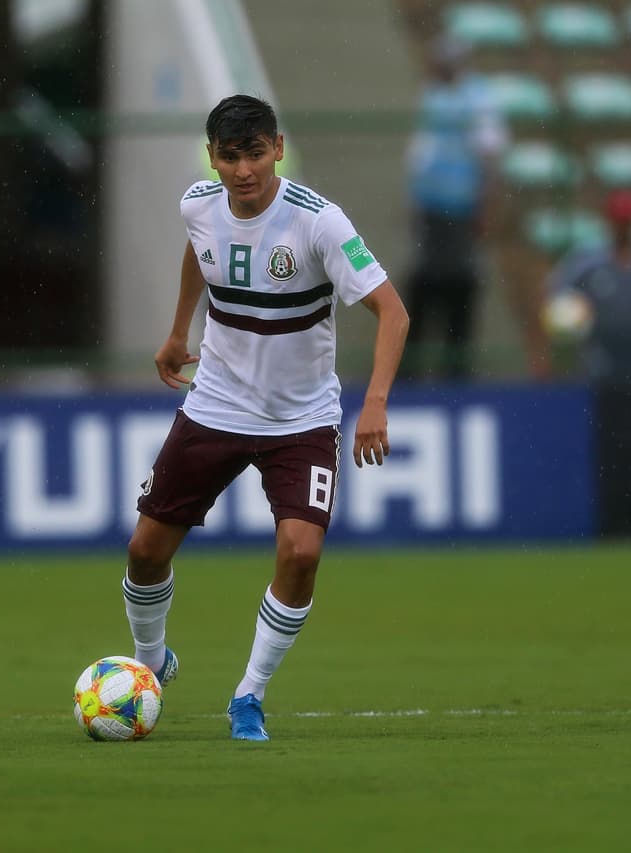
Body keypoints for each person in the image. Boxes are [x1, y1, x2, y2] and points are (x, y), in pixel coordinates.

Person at [121, 95, 409, 741]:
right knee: (145, 549)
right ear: (213, 157)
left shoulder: (319, 223)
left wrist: (376, 403)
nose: (244, 169)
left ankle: (249, 694)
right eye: (230, 156)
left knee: (301, 551)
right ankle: (148, 665)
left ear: (277, 147)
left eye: (255, 153)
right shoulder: (198, 202)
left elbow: (394, 312)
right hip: (217, 403)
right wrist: (177, 331)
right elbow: (200, 250)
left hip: (301, 417)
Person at [400, 35, 506, 381]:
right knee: (424, 281)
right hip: (431, 207)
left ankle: (454, 368)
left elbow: (489, 154)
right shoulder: (435, 95)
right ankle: (415, 366)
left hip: (459, 209)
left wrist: (485, 205)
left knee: (457, 282)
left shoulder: (477, 99)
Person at [545, 189, 631, 386]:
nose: (623, 227)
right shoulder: (586, 260)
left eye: (627, 221)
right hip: (598, 360)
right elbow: (555, 295)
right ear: (608, 221)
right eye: (619, 221)